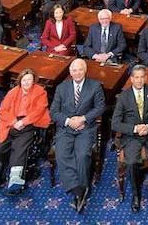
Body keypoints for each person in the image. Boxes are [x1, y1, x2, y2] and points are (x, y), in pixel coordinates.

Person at [0, 69, 51, 198]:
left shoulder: (40, 92)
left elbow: (39, 110)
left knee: (19, 150)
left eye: (29, 80)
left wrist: (24, 122)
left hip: (29, 124)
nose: (27, 82)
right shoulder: (13, 92)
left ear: (34, 81)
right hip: (10, 124)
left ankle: (14, 182)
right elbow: (3, 110)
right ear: (20, 80)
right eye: (24, 80)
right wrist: (13, 121)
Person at [50, 58, 106, 213]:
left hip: (85, 128)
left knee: (82, 155)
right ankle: (76, 187)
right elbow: (53, 112)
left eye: (80, 69)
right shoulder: (61, 87)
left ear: (85, 70)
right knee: (62, 154)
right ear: (70, 72)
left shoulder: (95, 86)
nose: (77, 73)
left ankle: (82, 189)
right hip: (66, 129)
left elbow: (100, 107)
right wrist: (68, 121)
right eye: (74, 70)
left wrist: (83, 118)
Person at [111, 64, 148, 212]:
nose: (140, 80)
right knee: (131, 162)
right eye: (136, 77)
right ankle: (136, 194)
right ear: (131, 79)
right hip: (132, 135)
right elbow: (115, 123)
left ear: (146, 78)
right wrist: (135, 129)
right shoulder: (123, 96)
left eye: (142, 77)